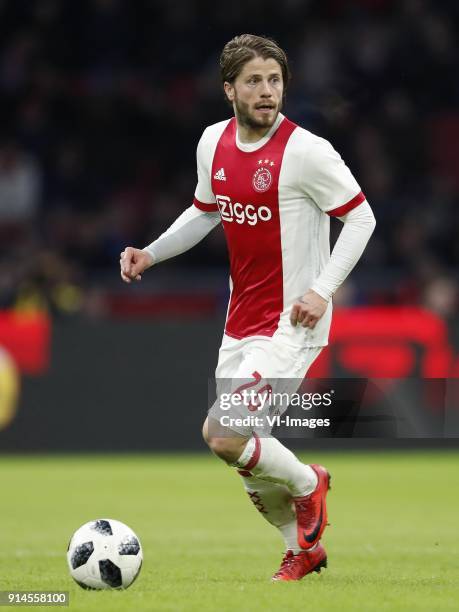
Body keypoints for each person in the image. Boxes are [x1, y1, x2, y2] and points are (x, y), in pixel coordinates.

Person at [120, 34, 375, 581]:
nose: (267, 91)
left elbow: (361, 218)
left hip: (292, 323)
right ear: (229, 89)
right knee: (239, 453)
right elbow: (204, 211)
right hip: (241, 323)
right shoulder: (212, 142)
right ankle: (301, 550)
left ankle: (311, 483)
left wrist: (321, 290)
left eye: (275, 80)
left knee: (225, 433)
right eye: (254, 81)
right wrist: (152, 253)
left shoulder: (308, 151)